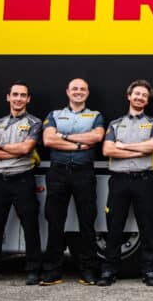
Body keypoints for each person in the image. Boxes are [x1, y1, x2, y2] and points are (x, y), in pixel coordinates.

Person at [0, 81, 42, 286]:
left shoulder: (35, 123)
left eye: (23, 95)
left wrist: (1, 146)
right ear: (8, 97)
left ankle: (33, 270)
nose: (19, 98)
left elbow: (26, 149)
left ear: (28, 99)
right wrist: (14, 149)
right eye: (15, 94)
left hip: (23, 179)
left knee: (30, 225)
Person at [96, 79, 153, 287]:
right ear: (129, 96)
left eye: (144, 95)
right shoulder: (115, 124)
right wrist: (140, 149)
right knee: (114, 228)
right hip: (119, 181)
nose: (140, 97)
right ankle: (109, 271)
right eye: (137, 94)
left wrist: (123, 147)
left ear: (147, 100)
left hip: (144, 180)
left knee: (147, 228)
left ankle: (149, 271)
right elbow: (107, 150)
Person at [41, 78, 105, 286]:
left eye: (82, 89)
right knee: (55, 222)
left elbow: (97, 137)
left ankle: (88, 271)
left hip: (83, 173)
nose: (78, 92)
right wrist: (78, 145)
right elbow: (48, 140)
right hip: (58, 173)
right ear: (68, 92)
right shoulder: (54, 115)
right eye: (75, 89)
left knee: (87, 222)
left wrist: (63, 136)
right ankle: (52, 271)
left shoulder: (95, 116)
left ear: (87, 93)